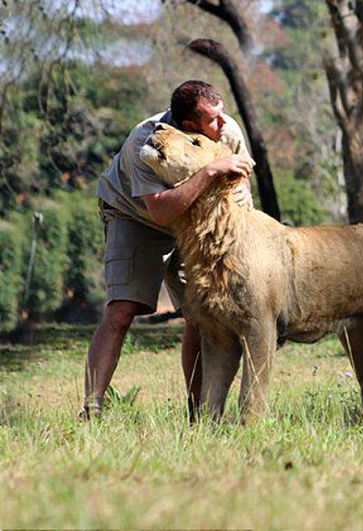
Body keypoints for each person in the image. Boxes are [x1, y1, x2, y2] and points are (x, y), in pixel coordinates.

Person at [81, 80, 255, 419]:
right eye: (213, 120)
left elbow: (241, 169)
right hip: (136, 216)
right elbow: (160, 212)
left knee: (200, 312)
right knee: (121, 310)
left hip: (194, 221)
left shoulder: (227, 128)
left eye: (221, 115)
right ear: (189, 125)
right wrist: (210, 171)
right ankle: (92, 407)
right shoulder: (145, 142)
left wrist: (243, 187)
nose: (223, 124)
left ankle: (198, 410)